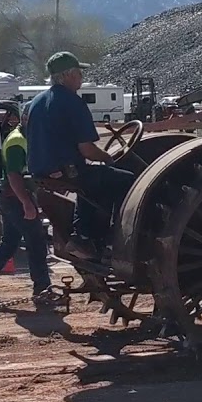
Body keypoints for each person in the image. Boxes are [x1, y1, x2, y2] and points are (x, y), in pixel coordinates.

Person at [26, 52, 136, 261]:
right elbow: (87, 149)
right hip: (68, 170)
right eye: (78, 73)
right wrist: (107, 158)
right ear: (67, 75)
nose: (81, 78)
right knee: (127, 179)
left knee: (98, 183)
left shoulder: (37, 102)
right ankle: (118, 238)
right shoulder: (72, 102)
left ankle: (87, 238)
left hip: (42, 172)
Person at [0, 103, 56, 306]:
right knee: (37, 242)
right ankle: (42, 290)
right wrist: (27, 203)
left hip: (12, 197)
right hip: (14, 197)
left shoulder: (27, 138)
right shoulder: (17, 141)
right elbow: (14, 175)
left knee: (8, 244)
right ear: (26, 119)